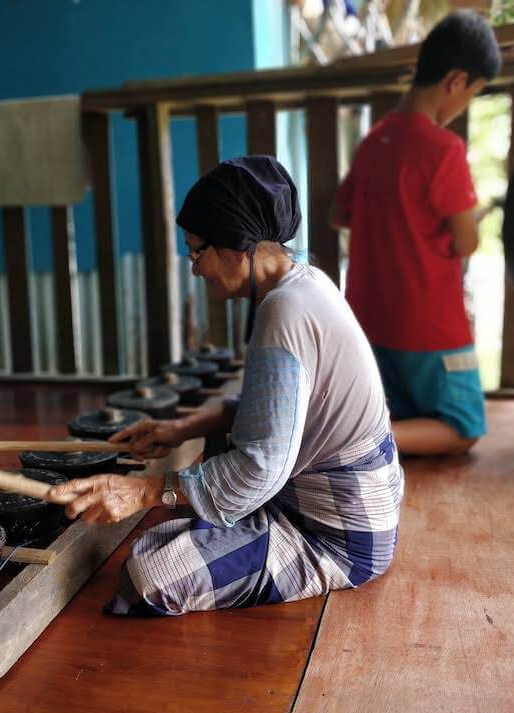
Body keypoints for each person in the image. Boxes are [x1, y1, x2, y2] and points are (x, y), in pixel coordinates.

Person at [45, 156, 404, 616]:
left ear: (239, 245)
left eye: (198, 251)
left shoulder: (284, 312)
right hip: (353, 506)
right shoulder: (305, 282)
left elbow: (261, 467)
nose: (195, 268)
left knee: (148, 577)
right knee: (181, 507)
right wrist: (181, 428)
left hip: (338, 537)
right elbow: (274, 407)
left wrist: (144, 491)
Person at [331, 10, 501, 455]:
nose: (465, 105)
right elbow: (467, 242)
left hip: (370, 320)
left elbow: (339, 214)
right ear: (456, 81)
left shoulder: (375, 141)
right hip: (429, 324)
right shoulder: (444, 148)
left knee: (404, 409)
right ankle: (360, 442)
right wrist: (471, 218)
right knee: (464, 428)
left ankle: (369, 432)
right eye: (474, 94)